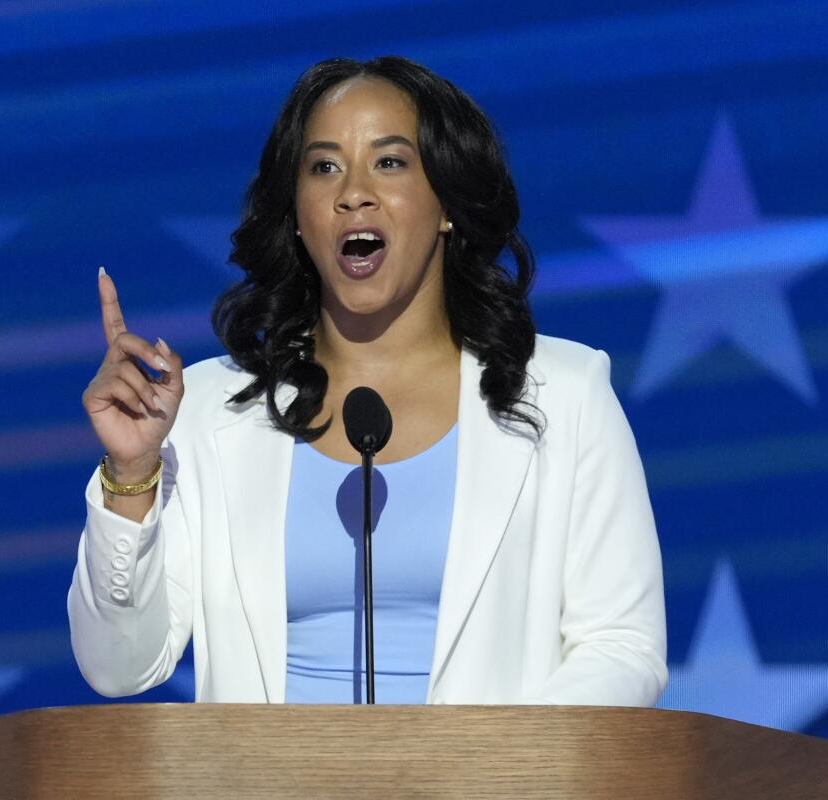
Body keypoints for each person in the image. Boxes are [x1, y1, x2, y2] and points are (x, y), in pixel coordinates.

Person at [68, 56, 666, 705]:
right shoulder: (211, 411)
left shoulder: (566, 394)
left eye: (390, 162)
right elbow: (118, 667)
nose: (353, 191)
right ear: (298, 215)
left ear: (445, 203)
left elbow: (620, 646)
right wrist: (131, 474)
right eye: (324, 167)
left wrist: (487, 771)